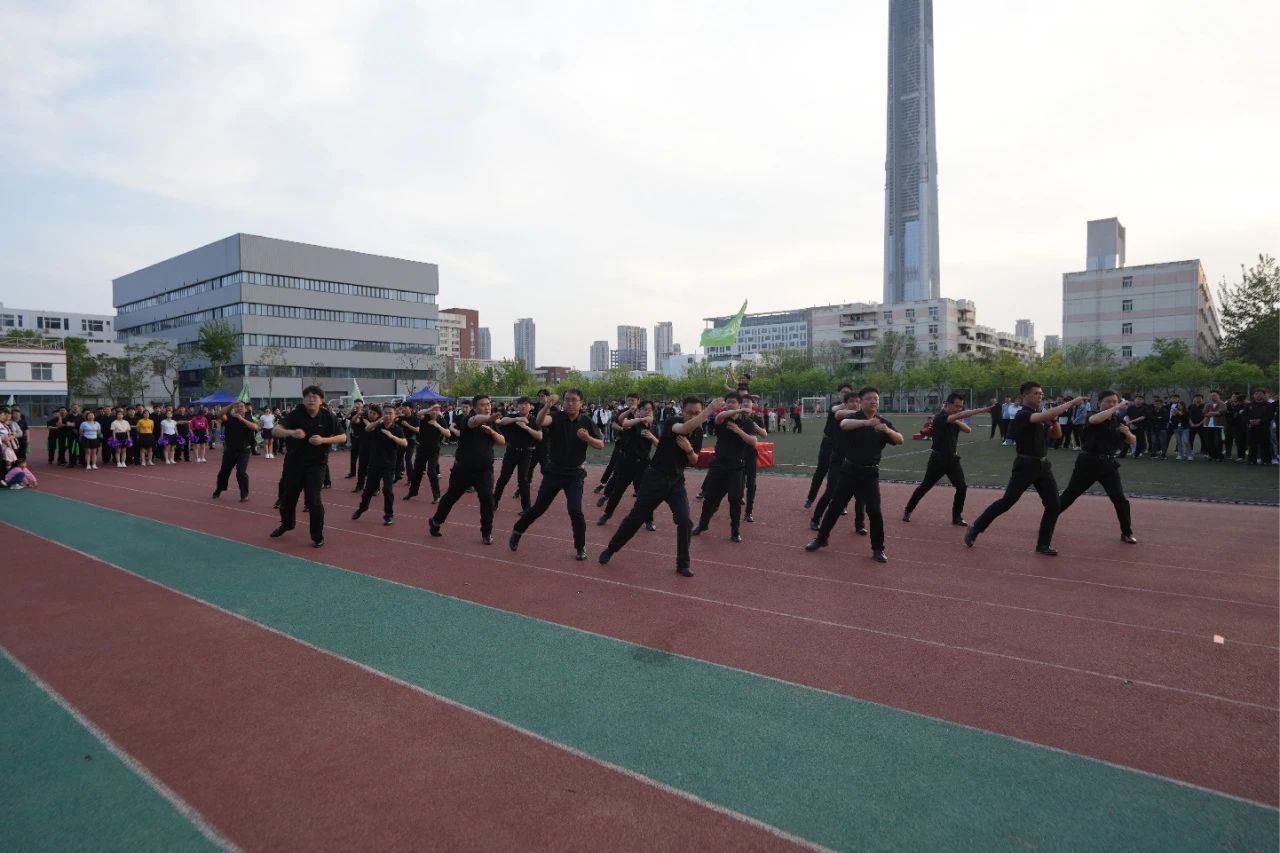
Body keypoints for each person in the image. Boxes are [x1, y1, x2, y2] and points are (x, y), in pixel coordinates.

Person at [599, 395, 717, 576]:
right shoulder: (672, 422)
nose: (694, 416)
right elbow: (684, 428)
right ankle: (611, 549)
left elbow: (694, 460)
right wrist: (709, 410)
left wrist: (688, 449)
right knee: (636, 518)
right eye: (690, 412)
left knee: (685, 521)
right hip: (655, 478)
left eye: (697, 413)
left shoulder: (699, 432)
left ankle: (683, 564)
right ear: (682, 410)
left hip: (676, 481)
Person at [966, 384, 1087, 555]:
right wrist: (1072, 403)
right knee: (1007, 501)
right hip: (1025, 465)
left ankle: (1043, 544)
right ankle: (976, 527)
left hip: (1043, 465)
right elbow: (1043, 416)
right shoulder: (1023, 414)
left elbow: (1057, 435)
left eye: (1041, 394)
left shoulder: (1040, 415)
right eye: (1036, 393)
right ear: (1024, 395)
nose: (1040, 396)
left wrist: (1053, 421)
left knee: (1054, 505)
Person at [804, 387, 903, 562]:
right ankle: (821, 539)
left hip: (870, 473)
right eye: (869, 398)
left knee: (874, 511)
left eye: (876, 398)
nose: (873, 401)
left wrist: (887, 430)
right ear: (862, 402)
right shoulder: (854, 418)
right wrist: (867, 423)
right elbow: (843, 424)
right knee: (835, 506)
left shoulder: (883, 422)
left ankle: (878, 548)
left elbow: (900, 439)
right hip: (849, 470)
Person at [509, 389, 605, 561]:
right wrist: (547, 405)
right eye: (567, 400)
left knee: (575, 510)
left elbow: (600, 445)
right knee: (539, 508)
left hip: (575, 474)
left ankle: (580, 547)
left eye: (574, 400)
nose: (570, 403)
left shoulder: (586, 421)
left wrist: (588, 438)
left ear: (581, 403)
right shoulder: (557, 416)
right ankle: (518, 530)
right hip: (554, 472)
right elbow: (540, 421)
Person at [1056, 391, 1138, 544]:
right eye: (1108, 401)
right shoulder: (1092, 415)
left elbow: (1132, 440)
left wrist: (1128, 433)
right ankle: (1048, 521)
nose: (1112, 404)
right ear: (1100, 402)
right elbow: (1096, 420)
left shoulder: (1118, 420)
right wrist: (1119, 406)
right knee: (1070, 495)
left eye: (1115, 401)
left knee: (1120, 499)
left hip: (1108, 465)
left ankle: (1127, 532)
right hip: (1088, 463)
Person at [270, 386, 347, 546]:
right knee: (287, 498)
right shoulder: (295, 414)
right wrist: (291, 433)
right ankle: (287, 524)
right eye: (308, 397)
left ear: (321, 400)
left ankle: (317, 535)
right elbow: (275, 431)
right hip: (294, 463)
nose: (311, 400)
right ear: (303, 399)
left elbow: (343, 437)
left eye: (315, 397)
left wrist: (323, 440)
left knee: (314, 499)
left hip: (316, 464)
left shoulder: (328, 416)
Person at [902, 394, 990, 526]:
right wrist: (983, 410)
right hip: (938, 460)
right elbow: (960, 416)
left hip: (953, 460)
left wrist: (956, 419)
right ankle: (908, 510)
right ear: (947, 404)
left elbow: (968, 430)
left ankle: (957, 517)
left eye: (960, 407)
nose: (958, 409)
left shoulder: (954, 419)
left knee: (962, 487)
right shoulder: (939, 418)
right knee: (925, 487)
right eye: (956, 406)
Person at [428, 394, 505, 544]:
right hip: (463, 469)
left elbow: (502, 441)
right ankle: (436, 521)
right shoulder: (467, 419)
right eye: (483, 405)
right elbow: (474, 421)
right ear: (475, 408)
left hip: (484, 471)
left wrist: (492, 432)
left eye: (488, 404)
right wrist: (489, 418)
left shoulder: (491, 423)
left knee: (487, 499)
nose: (487, 407)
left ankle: (486, 533)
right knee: (451, 497)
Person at [691, 392, 757, 542]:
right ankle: (703, 525)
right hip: (718, 466)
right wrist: (738, 410)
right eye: (728, 402)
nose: (730, 404)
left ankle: (735, 531)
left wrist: (738, 430)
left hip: (736, 468)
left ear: (739, 403)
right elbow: (719, 417)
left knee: (734, 500)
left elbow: (753, 442)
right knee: (709, 498)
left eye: (733, 402)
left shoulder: (747, 422)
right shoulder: (722, 418)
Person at [809, 390, 865, 535]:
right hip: (838, 459)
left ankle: (860, 524)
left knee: (860, 495)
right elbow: (838, 413)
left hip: (855, 462)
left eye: (858, 401)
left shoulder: (862, 419)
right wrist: (863, 415)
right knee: (831, 491)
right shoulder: (842, 415)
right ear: (845, 403)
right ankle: (815, 519)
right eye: (852, 401)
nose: (855, 404)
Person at [597, 400, 658, 525]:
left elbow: (660, 446)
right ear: (639, 411)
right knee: (618, 490)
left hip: (643, 463)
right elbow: (623, 423)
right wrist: (640, 418)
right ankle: (607, 513)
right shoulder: (634, 423)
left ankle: (648, 519)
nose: (647, 412)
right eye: (645, 409)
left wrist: (652, 437)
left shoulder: (653, 427)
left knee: (644, 493)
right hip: (627, 462)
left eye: (650, 410)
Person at [352, 405, 407, 526]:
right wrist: (378, 421)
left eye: (390, 413)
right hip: (374, 464)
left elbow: (404, 443)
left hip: (389, 465)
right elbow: (367, 428)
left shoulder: (397, 429)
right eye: (386, 413)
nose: (388, 415)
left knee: (387, 490)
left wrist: (391, 436)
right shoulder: (377, 426)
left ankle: (388, 515)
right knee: (368, 490)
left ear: (394, 415)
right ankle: (362, 508)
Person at [805, 384, 853, 508]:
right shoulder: (834, 405)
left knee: (840, 475)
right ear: (839, 394)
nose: (845, 394)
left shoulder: (853, 410)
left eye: (848, 392)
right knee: (821, 471)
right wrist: (855, 408)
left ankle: (840, 504)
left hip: (842, 446)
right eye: (843, 392)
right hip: (828, 443)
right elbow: (836, 410)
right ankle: (810, 498)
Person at [493, 397, 542, 514]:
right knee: (503, 478)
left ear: (530, 407)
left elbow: (539, 436)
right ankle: (493, 503)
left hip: (526, 453)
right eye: (521, 404)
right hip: (511, 452)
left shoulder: (533, 420)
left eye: (526, 404)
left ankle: (527, 509)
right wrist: (517, 419)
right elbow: (501, 421)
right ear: (517, 406)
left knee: (523, 481)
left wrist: (526, 427)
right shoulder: (512, 416)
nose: (523, 406)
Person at [213, 401, 257, 502]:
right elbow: (219, 415)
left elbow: (255, 427)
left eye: (242, 406)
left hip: (244, 451)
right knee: (224, 472)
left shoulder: (248, 418)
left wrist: (241, 419)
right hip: (230, 451)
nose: (239, 408)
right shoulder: (229, 418)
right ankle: (219, 489)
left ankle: (244, 495)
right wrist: (230, 405)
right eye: (237, 406)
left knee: (241, 472)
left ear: (245, 409)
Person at [406, 404, 450, 502]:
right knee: (417, 471)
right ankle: (413, 492)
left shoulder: (441, 420)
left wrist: (437, 425)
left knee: (432, 472)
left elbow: (448, 434)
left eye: (437, 410)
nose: (434, 412)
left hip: (434, 450)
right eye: (432, 410)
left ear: (439, 411)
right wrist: (430, 408)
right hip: (422, 448)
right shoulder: (425, 417)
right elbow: (418, 414)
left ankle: (437, 496)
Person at [1245, 387, 1274, 465]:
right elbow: (1244, 415)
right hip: (1252, 427)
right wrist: (1249, 421)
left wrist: (1260, 420)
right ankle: (1252, 460)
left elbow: (1270, 416)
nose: (1258, 395)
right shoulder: (1248, 405)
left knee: (1265, 444)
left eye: (1260, 394)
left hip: (1264, 428)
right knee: (1252, 444)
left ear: (1264, 395)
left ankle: (1266, 460)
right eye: (1256, 394)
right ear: (1253, 395)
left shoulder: (1268, 405)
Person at [345, 401, 365, 478]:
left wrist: (359, 414)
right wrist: (352, 409)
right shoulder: (353, 413)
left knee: (362, 457)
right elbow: (346, 416)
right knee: (353, 456)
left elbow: (357, 421)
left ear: (362, 405)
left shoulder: (365, 414)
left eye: (359, 403)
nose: (357, 405)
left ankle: (364, 472)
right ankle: (352, 472)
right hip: (354, 437)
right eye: (356, 404)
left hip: (362, 438)